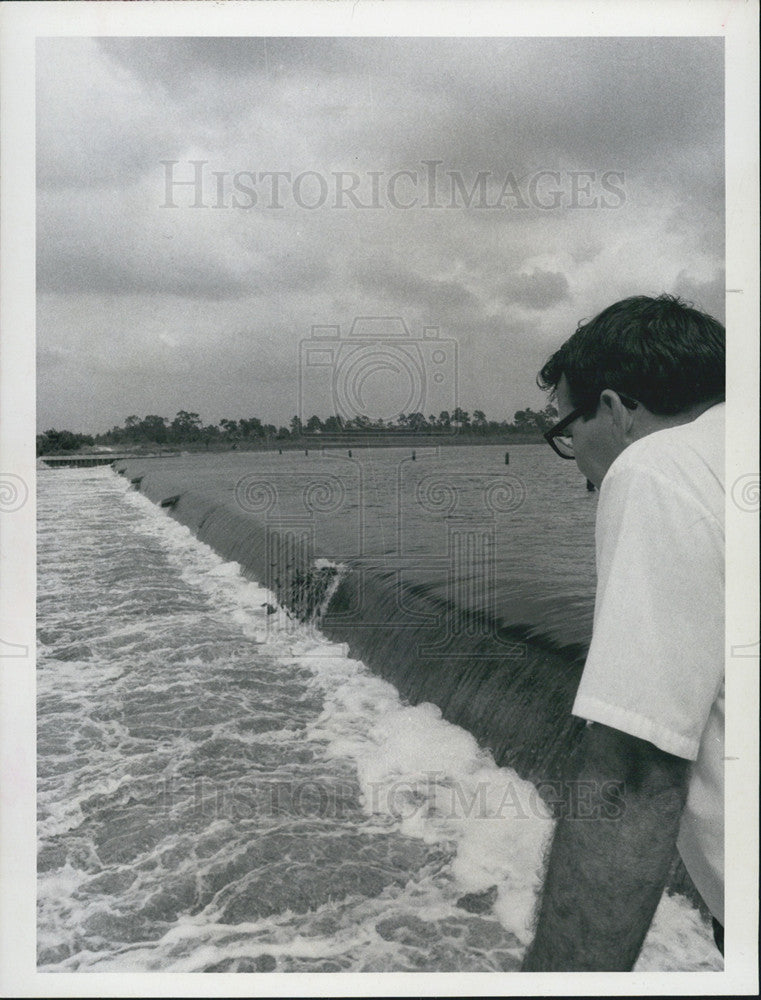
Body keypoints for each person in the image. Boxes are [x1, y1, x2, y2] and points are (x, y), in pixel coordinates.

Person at [522, 295, 725, 971]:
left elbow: (632, 777)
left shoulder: (658, 467)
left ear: (613, 409)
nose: (574, 462)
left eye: (564, 432)